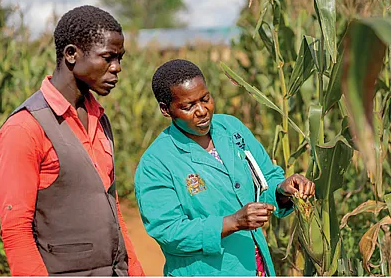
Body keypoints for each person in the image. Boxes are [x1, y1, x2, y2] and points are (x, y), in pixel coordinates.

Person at [0, 5, 144, 276]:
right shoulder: (25, 129)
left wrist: (135, 270)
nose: (117, 68)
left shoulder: (99, 117)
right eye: (108, 57)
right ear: (71, 54)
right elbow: (16, 231)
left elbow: (112, 208)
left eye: (120, 58)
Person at [134, 59, 315, 276]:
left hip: (256, 266)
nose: (202, 111)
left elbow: (265, 178)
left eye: (205, 99)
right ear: (166, 110)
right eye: (188, 106)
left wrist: (283, 189)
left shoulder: (230, 129)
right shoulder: (156, 162)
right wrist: (232, 222)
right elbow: (168, 231)